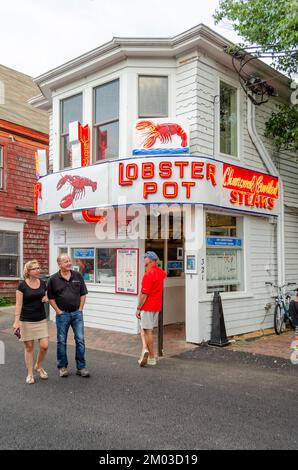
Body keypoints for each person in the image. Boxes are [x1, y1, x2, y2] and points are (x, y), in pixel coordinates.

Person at [47, 254, 90, 378]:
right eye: (65, 261)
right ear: (59, 264)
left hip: (77, 313)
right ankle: (62, 367)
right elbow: (50, 297)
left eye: (69, 260)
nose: (69, 263)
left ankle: (81, 367)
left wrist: (80, 309)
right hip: (63, 314)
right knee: (61, 341)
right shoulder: (53, 279)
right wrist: (58, 311)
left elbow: (83, 293)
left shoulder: (78, 276)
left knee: (80, 340)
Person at [13, 260, 49, 385]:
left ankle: (38, 366)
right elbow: (18, 304)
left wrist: (47, 298)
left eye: (39, 268)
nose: (38, 270)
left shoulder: (43, 283)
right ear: (28, 271)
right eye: (35, 268)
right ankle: (30, 374)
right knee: (29, 348)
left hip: (41, 319)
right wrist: (16, 322)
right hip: (26, 320)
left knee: (44, 346)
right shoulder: (22, 285)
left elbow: (47, 296)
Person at [136, 251, 166, 367]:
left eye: (146, 258)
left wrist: (138, 308)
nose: (144, 259)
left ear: (151, 260)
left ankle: (152, 357)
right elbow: (164, 274)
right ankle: (144, 350)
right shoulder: (160, 272)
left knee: (147, 331)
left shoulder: (148, 274)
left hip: (147, 306)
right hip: (156, 306)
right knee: (145, 329)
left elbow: (144, 294)